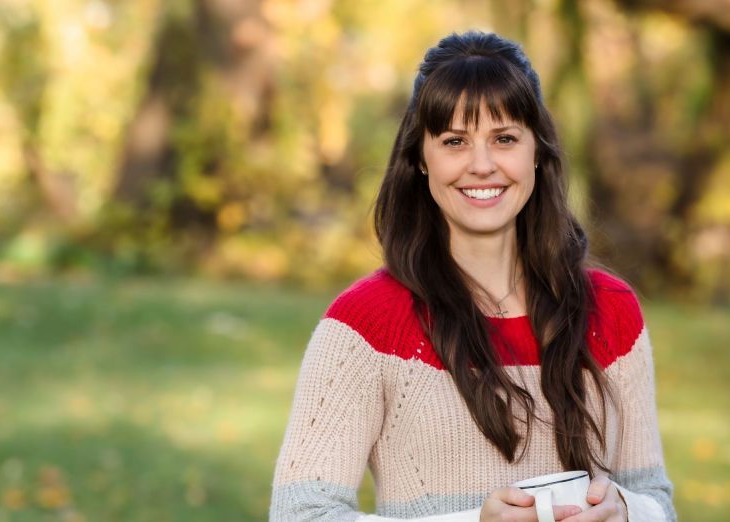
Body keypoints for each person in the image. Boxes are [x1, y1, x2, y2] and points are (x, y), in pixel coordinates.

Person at [270, 31, 676, 522]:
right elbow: (301, 513)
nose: (482, 166)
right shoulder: (365, 324)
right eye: (455, 142)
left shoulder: (610, 310)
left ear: (537, 153)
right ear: (421, 157)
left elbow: (657, 501)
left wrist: (628, 511)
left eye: (504, 139)